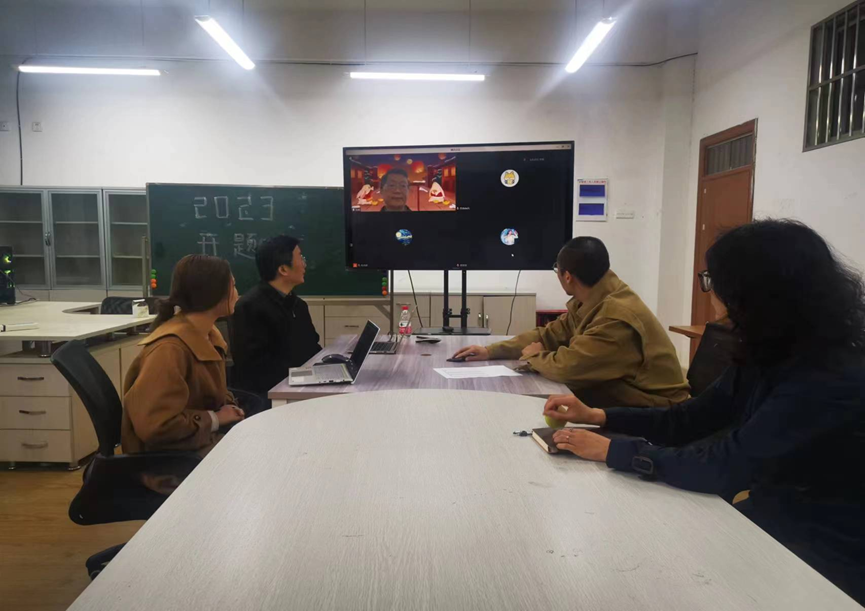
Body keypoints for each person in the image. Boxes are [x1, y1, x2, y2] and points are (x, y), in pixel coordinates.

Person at [542, 220, 865, 604]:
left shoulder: (828, 378)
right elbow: (690, 418)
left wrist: (616, 451)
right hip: (778, 518)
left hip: (826, 557)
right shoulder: (772, 348)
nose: (710, 294)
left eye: (712, 281)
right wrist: (602, 417)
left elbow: (728, 464)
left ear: (750, 294)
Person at [454, 236, 689, 407]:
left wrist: (534, 356)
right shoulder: (594, 295)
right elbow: (549, 334)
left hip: (657, 410)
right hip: (626, 395)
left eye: (556, 269)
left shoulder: (615, 319)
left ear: (567, 276)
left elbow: (569, 368)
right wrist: (490, 351)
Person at [122, 254, 245, 494]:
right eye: (233, 286)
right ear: (214, 293)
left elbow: (208, 393)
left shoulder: (206, 334)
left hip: (196, 448)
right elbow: (158, 425)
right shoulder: (169, 349)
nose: (237, 293)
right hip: (171, 464)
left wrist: (229, 409)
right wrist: (216, 418)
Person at [231, 235, 322, 398]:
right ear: (283, 270)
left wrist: (329, 365)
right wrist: (305, 376)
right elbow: (254, 369)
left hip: (302, 386)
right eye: (300, 257)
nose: (304, 264)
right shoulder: (250, 307)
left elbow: (312, 347)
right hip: (272, 396)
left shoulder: (298, 305)